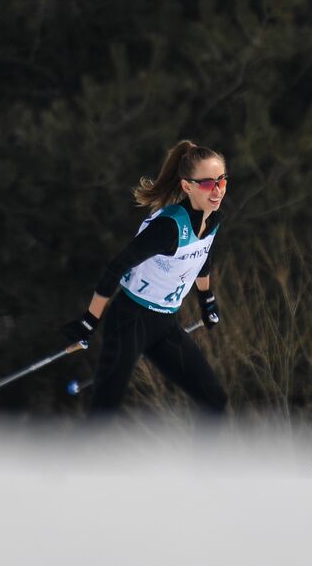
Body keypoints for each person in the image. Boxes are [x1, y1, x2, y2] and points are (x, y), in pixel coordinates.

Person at [60, 140, 230, 420]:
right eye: (208, 184)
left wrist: (207, 300)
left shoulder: (213, 219)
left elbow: (203, 258)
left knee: (214, 400)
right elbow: (115, 268)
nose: (218, 190)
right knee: (103, 415)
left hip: (165, 325)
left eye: (222, 181)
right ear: (187, 186)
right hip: (129, 321)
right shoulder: (168, 228)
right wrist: (88, 323)